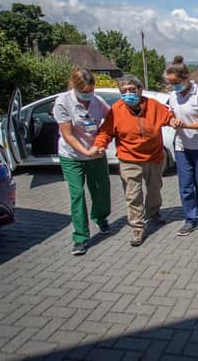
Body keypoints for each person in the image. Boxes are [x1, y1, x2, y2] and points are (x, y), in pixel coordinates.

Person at [93, 75, 175, 247]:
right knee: (133, 196)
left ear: (140, 90)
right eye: (124, 91)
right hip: (129, 159)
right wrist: (100, 145)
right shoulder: (116, 110)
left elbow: (167, 116)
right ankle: (137, 228)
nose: (128, 93)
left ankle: (153, 212)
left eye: (132, 89)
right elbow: (106, 132)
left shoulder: (153, 105)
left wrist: (173, 121)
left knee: (154, 190)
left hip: (153, 157)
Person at [53, 69, 111, 255]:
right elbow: (68, 135)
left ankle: (100, 218)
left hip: (95, 153)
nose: (88, 95)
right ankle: (80, 237)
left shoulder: (97, 101)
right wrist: (86, 151)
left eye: (91, 91)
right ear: (75, 88)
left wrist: (100, 144)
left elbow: (110, 122)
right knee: (77, 194)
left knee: (101, 191)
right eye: (85, 92)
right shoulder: (63, 102)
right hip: (72, 156)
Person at [165, 56, 198, 236]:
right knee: (186, 185)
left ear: (186, 78)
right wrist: (172, 120)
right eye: (170, 83)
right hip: (181, 147)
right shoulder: (173, 95)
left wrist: (186, 125)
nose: (173, 86)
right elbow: (170, 113)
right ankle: (190, 219)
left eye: (176, 82)